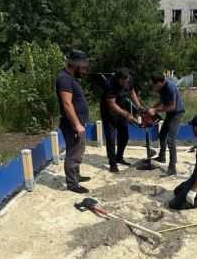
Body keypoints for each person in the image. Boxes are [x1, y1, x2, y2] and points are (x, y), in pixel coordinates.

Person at [55, 50, 92, 193]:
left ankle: (77, 175)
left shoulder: (70, 78)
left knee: (78, 151)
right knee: (73, 153)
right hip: (72, 124)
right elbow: (67, 103)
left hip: (77, 123)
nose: (84, 70)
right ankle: (72, 184)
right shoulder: (64, 79)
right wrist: (76, 124)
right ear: (76, 65)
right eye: (83, 67)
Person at [100, 68, 141, 173]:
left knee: (124, 135)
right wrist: (127, 115)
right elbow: (112, 104)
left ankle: (119, 157)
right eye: (123, 81)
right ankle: (112, 164)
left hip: (121, 109)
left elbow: (131, 92)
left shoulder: (128, 79)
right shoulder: (109, 84)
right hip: (108, 112)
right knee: (111, 138)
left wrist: (138, 106)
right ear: (117, 79)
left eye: (126, 80)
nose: (125, 83)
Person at [148, 72, 185, 176]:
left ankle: (172, 167)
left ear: (162, 81)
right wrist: (152, 107)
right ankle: (162, 156)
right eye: (155, 85)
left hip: (177, 114)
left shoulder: (170, 87)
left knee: (171, 141)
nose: (156, 87)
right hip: (170, 114)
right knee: (162, 135)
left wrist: (156, 110)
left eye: (157, 85)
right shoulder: (161, 88)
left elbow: (172, 106)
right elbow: (162, 99)